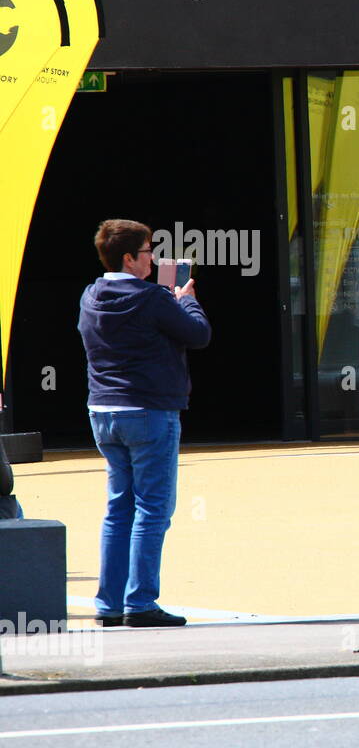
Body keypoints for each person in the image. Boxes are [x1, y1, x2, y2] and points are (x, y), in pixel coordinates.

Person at [78, 219, 211, 627]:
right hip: (149, 412)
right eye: (149, 250)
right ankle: (140, 603)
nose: (153, 257)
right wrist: (185, 299)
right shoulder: (153, 298)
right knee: (152, 509)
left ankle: (109, 605)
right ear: (129, 257)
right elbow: (198, 335)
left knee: (118, 509)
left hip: (103, 412)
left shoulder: (90, 295)